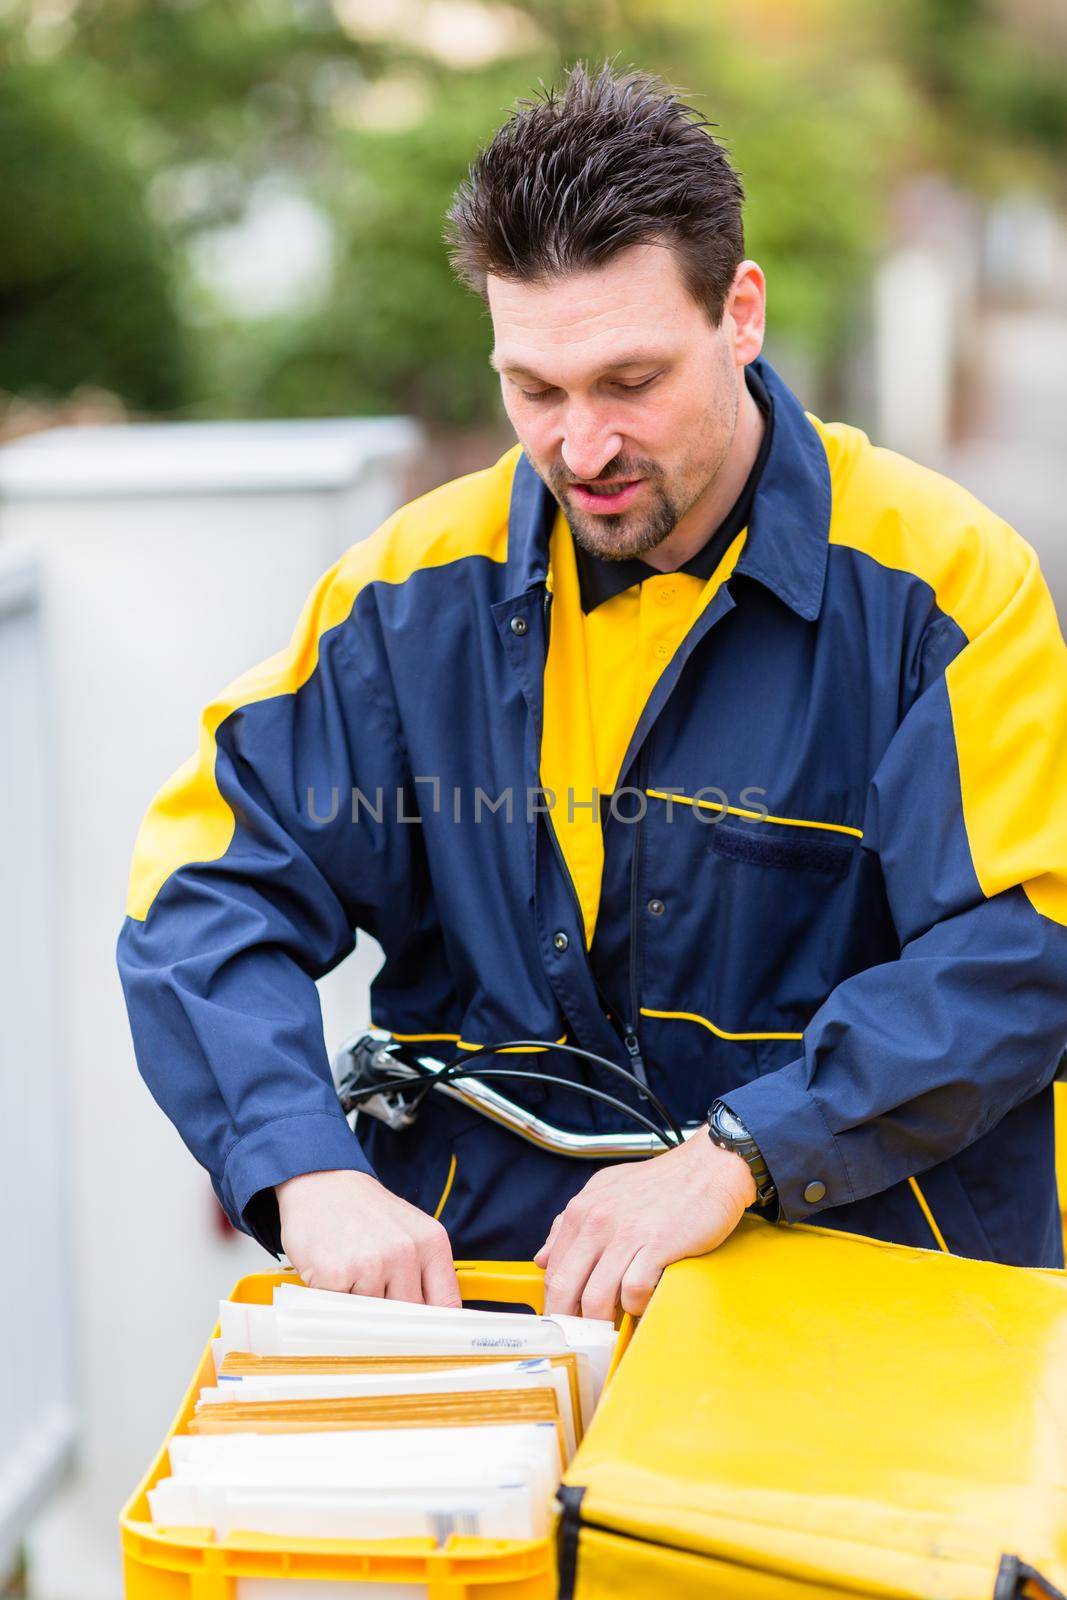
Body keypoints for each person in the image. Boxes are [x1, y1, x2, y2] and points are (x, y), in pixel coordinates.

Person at [117, 63, 1067, 1319]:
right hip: (503, 1299)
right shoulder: (404, 591)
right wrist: (299, 1163)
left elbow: (1021, 945)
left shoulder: (945, 587)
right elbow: (206, 890)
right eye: (535, 389)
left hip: (873, 1299)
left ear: (739, 313)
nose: (581, 445)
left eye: (630, 380)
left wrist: (744, 1151)